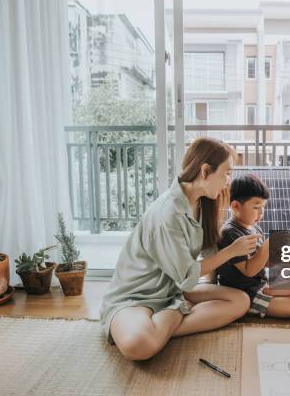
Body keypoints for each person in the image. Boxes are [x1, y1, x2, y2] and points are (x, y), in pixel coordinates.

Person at [100, 138, 260, 360]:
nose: (228, 181)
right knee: (138, 346)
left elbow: (207, 255)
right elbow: (187, 277)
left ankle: (163, 326)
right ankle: (174, 313)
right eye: (226, 173)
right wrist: (232, 251)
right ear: (205, 171)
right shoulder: (168, 213)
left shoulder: (203, 202)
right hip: (137, 295)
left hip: (175, 288)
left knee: (241, 300)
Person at [216, 174, 290, 318]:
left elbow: (264, 264)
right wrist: (269, 243)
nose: (262, 213)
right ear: (236, 206)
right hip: (244, 290)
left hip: (261, 281)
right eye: (257, 207)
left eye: (263, 207)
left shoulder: (253, 227)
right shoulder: (229, 233)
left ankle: (275, 291)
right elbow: (249, 270)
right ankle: (266, 297)